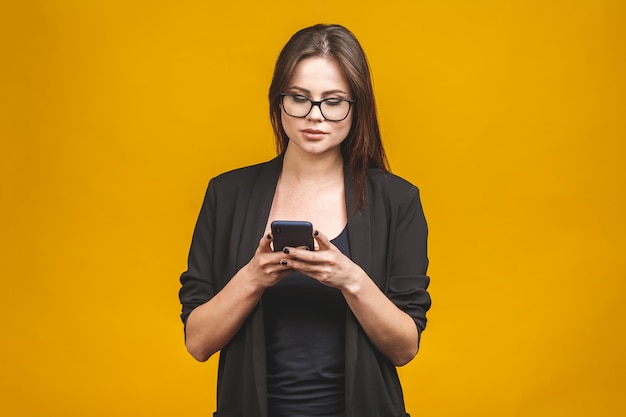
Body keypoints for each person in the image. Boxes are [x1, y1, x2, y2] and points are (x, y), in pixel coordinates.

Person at [179, 23, 431, 417]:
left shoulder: (397, 201)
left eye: (333, 101)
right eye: (299, 98)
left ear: (357, 106)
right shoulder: (226, 195)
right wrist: (253, 277)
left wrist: (350, 279)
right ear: (278, 100)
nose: (315, 116)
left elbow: (405, 349)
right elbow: (197, 343)